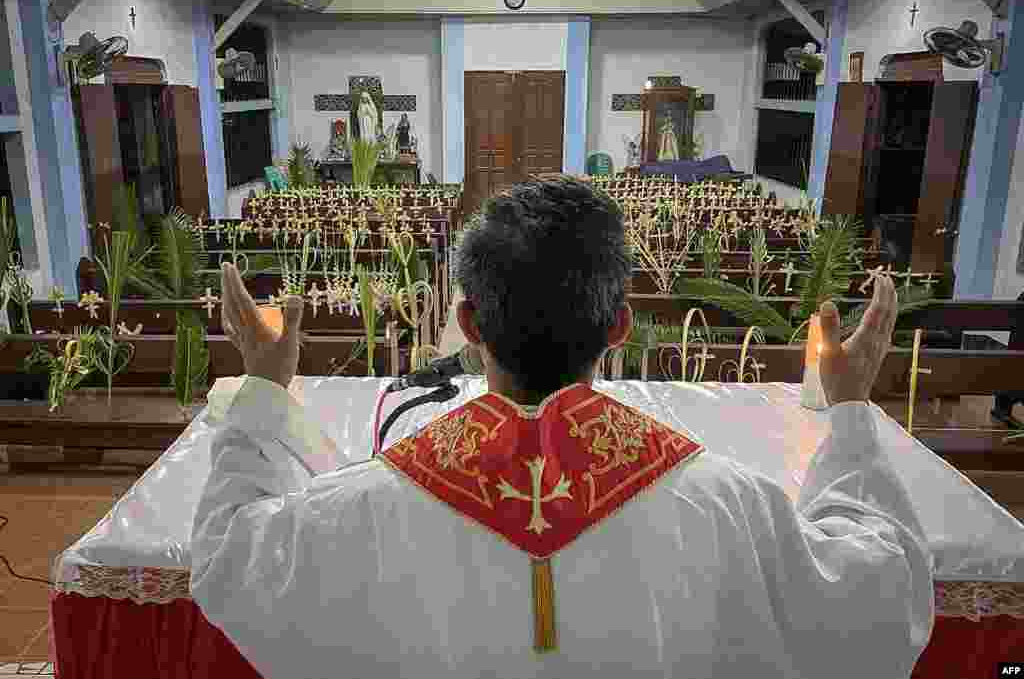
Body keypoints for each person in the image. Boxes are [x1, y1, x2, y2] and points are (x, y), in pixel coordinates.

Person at [192, 178, 933, 679]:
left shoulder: (360, 511)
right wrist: (851, 410)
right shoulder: (731, 508)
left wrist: (263, 379)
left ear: (467, 323)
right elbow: (881, 603)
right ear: (620, 325)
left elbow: (230, 559)